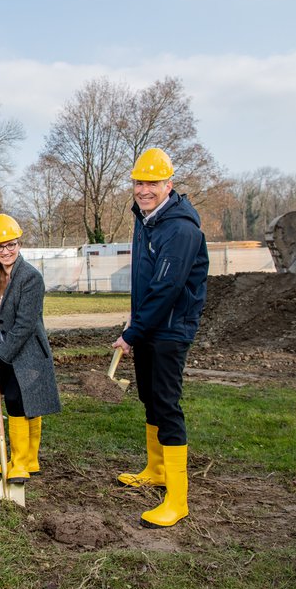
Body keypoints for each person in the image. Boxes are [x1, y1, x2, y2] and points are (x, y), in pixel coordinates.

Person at [112, 148, 209, 528]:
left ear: (169, 184)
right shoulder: (147, 219)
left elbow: (167, 287)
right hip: (152, 323)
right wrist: (137, 320)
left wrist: (131, 333)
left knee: (167, 404)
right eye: (139, 182)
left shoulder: (180, 228)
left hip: (170, 328)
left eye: (152, 182)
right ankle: (156, 469)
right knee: (149, 396)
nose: (144, 189)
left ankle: (178, 499)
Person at [0, 214, 61, 484]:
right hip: (7, 348)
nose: (6, 251)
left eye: (11, 244)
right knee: (18, 401)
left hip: (28, 353)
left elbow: (25, 324)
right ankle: (25, 459)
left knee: (21, 403)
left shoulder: (31, 277)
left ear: (19, 243)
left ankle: (22, 463)